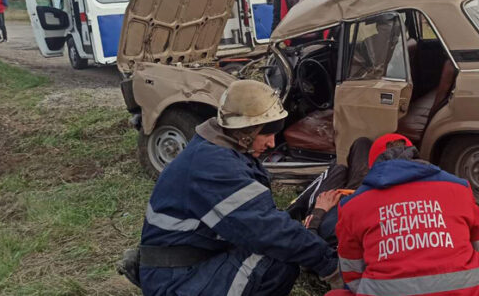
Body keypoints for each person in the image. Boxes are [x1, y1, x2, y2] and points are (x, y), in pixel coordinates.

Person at [138, 80, 342, 296]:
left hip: (186, 262)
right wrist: (330, 266)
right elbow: (267, 230)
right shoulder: (214, 167)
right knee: (276, 262)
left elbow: (262, 218)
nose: (272, 143)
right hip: (175, 279)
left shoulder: (220, 148)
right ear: (245, 131)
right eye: (267, 133)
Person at [327, 134, 479, 296]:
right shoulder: (458, 187)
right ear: (416, 157)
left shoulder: (352, 205)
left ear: (373, 167)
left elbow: (352, 275)